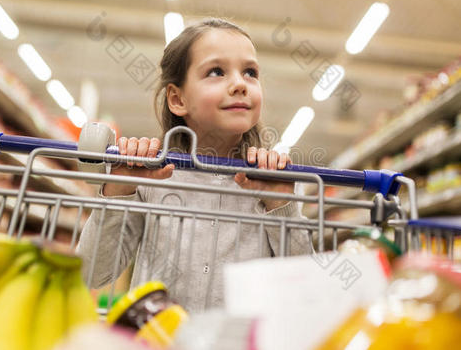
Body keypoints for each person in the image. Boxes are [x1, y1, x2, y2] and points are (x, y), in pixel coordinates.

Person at [77, 18, 312, 312]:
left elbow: (304, 289)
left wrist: (282, 207)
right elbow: (91, 272)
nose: (240, 84)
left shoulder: (272, 181)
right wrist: (120, 191)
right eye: (216, 71)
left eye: (250, 72)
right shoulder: (151, 176)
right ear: (177, 99)